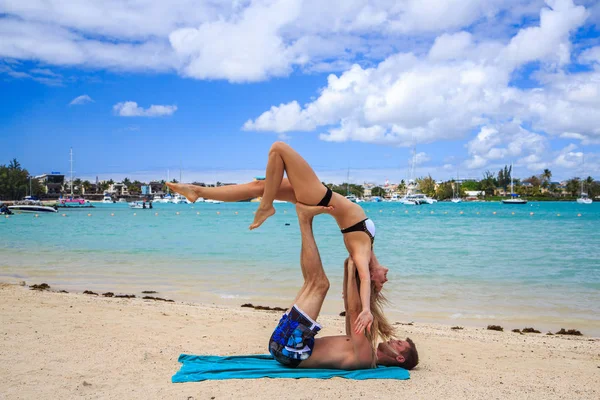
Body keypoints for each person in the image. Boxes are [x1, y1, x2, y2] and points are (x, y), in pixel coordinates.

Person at [167, 142, 381, 346]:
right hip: (318, 197)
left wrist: (365, 308)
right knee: (258, 186)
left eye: (381, 282)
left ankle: (266, 207)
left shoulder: (360, 253)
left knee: (278, 148)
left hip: (318, 196)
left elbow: (363, 277)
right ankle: (198, 191)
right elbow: (368, 275)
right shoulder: (367, 248)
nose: (386, 278)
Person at [269, 203, 418, 370]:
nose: (393, 340)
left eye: (399, 344)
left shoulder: (366, 356)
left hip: (292, 350)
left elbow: (355, 310)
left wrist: (354, 264)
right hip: (287, 346)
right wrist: (349, 266)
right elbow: (350, 309)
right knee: (312, 282)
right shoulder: (363, 347)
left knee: (319, 284)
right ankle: (305, 219)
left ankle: (305, 219)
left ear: (399, 358)